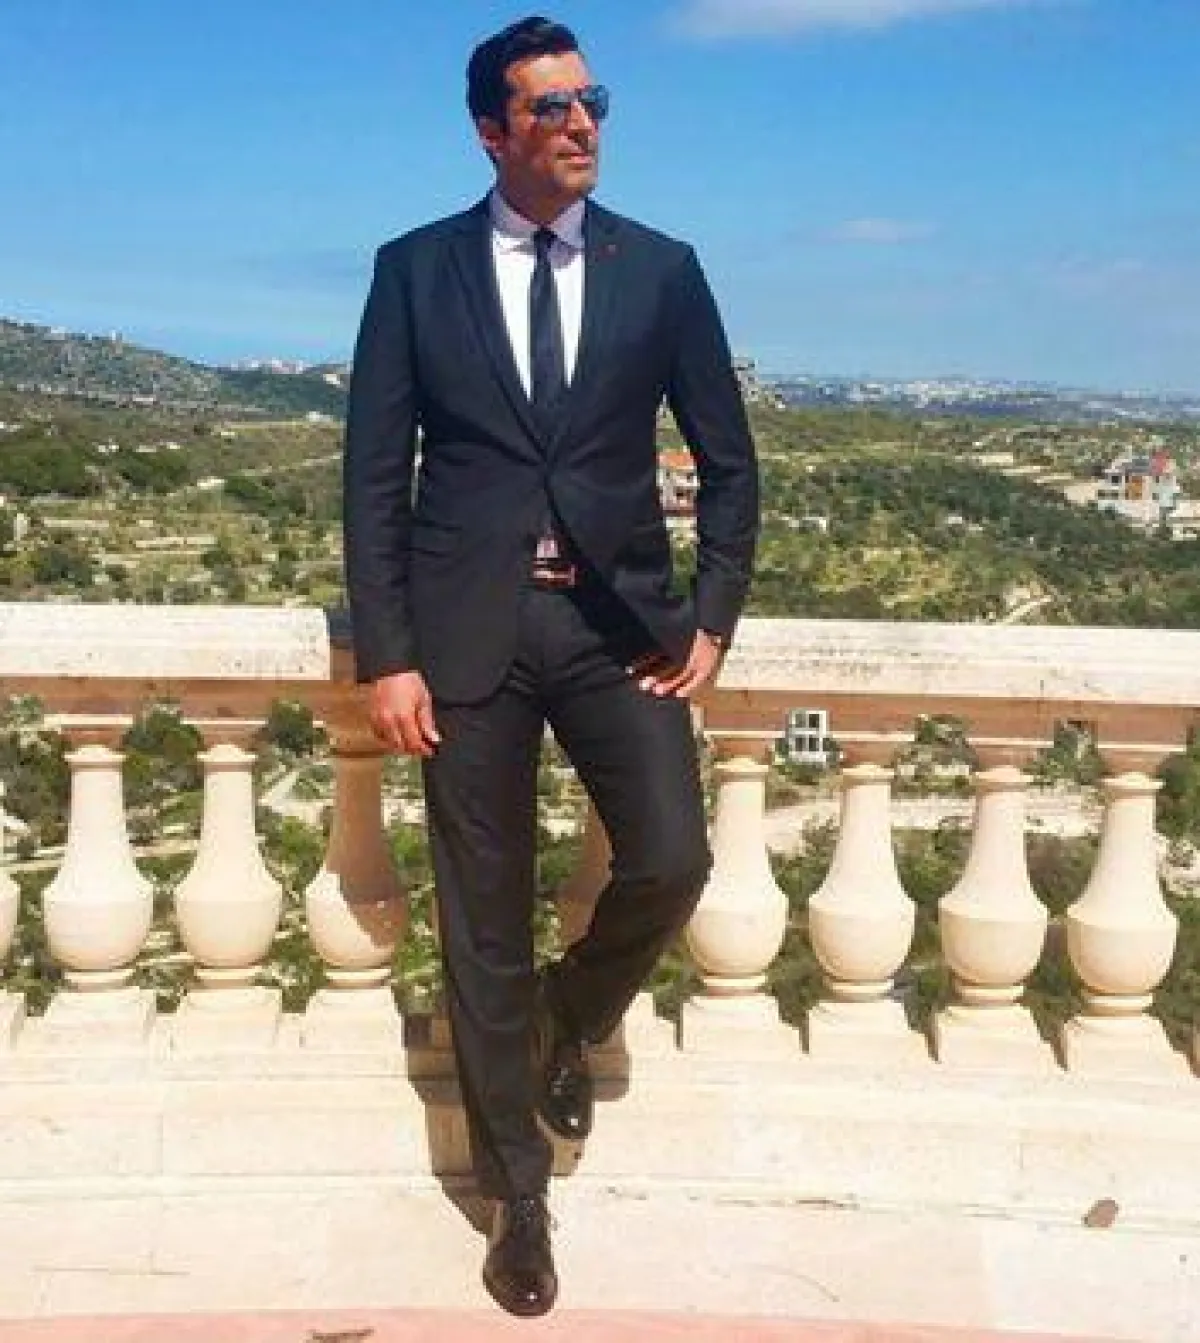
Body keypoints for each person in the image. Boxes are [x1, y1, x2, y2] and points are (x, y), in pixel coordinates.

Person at [342, 15, 758, 1318]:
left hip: (615, 629)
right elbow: (374, 477)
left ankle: (569, 1013)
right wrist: (389, 655)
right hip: (466, 633)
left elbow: (731, 460)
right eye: (550, 107)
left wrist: (713, 616)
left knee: (672, 856)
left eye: (593, 102)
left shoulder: (663, 270)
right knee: (482, 915)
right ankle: (516, 1196)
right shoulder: (415, 271)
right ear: (490, 130)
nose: (581, 124)